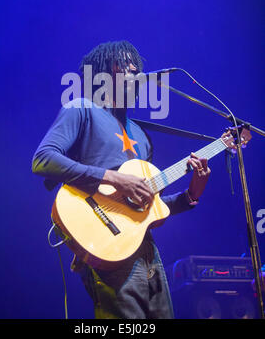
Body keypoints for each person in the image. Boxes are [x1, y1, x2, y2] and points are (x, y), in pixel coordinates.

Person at [32, 40, 211, 319]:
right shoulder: (81, 108)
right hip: (105, 246)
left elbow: (145, 204)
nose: (132, 67)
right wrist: (113, 178)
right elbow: (43, 159)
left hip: (146, 251)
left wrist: (192, 194)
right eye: (123, 62)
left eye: (135, 64)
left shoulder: (140, 134)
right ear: (102, 71)